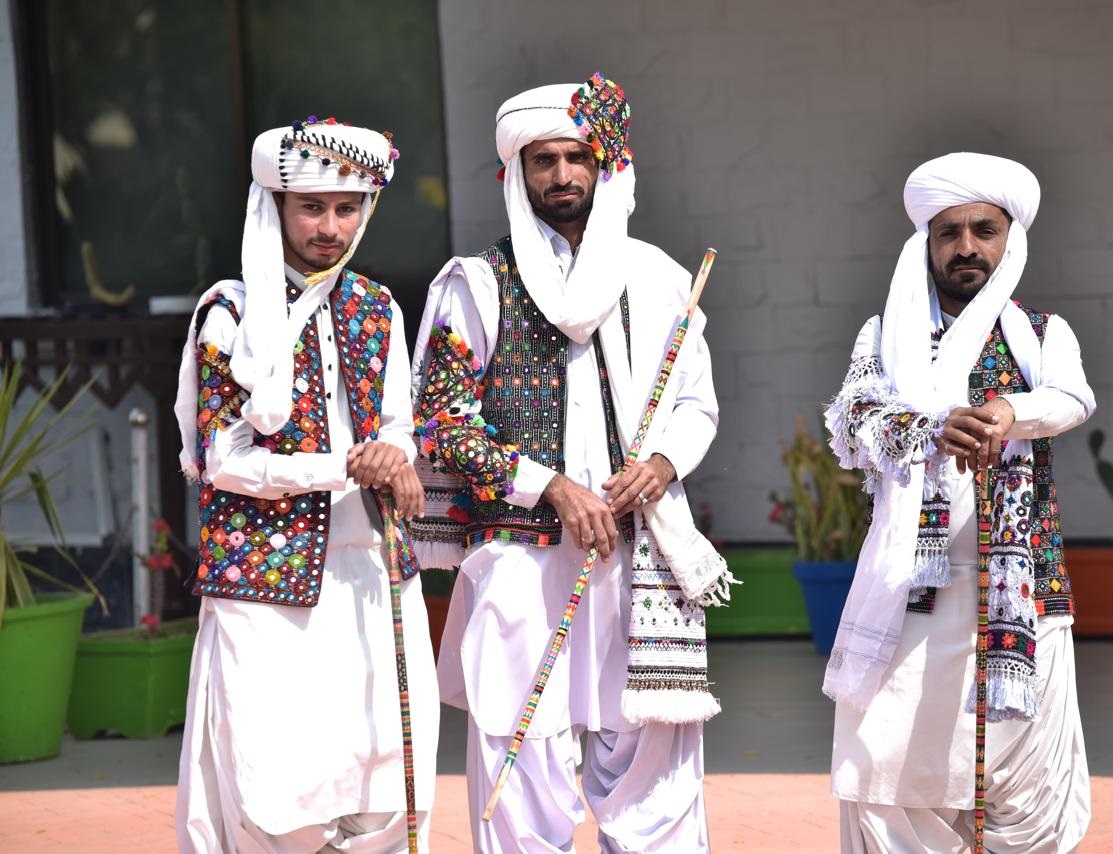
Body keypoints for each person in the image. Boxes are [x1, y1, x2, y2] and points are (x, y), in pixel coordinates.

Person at [409, 73, 729, 852]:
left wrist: (659, 462)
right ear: (516, 175)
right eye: (543, 160)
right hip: (521, 560)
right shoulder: (477, 284)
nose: (561, 175)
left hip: (638, 551)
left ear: (604, 164)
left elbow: (696, 402)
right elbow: (442, 420)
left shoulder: (656, 277)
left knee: (650, 763)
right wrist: (550, 488)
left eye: (576, 156)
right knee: (522, 759)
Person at [173, 117, 438, 852]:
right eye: (312, 207)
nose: (330, 226)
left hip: (370, 567)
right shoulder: (228, 313)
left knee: (384, 780)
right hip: (264, 579)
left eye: (346, 208)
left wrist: (394, 454)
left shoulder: (377, 306)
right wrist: (348, 465)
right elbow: (219, 456)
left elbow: (398, 424)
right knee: (272, 788)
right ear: (276, 207)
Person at [823, 153, 1096, 853]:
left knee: (1029, 791)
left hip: (1021, 593)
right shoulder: (883, 335)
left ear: (1010, 242)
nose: (967, 246)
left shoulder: (1040, 333)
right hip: (910, 593)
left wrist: (1007, 412)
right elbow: (855, 422)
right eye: (949, 232)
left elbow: (1071, 398)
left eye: (984, 230)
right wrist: (929, 426)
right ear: (927, 244)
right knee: (890, 774)